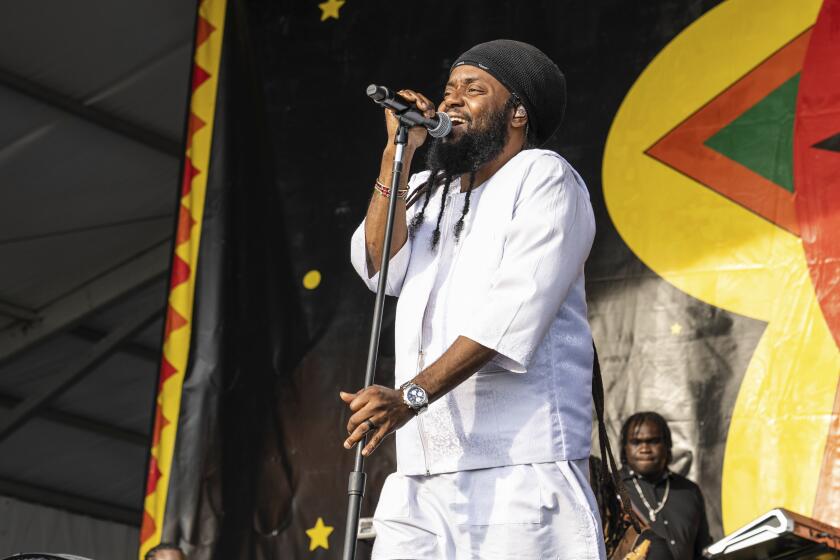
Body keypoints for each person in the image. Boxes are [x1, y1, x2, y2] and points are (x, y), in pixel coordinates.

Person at [343, 39, 602, 558]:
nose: (450, 101)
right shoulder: (425, 190)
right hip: (420, 471)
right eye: (448, 90)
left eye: (473, 89)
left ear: (518, 111)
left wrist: (410, 396)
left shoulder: (544, 177)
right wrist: (398, 152)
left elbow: (513, 312)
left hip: (520, 467)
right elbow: (377, 268)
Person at [620, 412, 711, 560]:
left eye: (653, 441)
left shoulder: (689, 491)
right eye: (636, 442)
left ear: (667, 445)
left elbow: (703, 551)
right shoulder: (612, 490)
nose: (645, 449)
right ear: (624, 448)